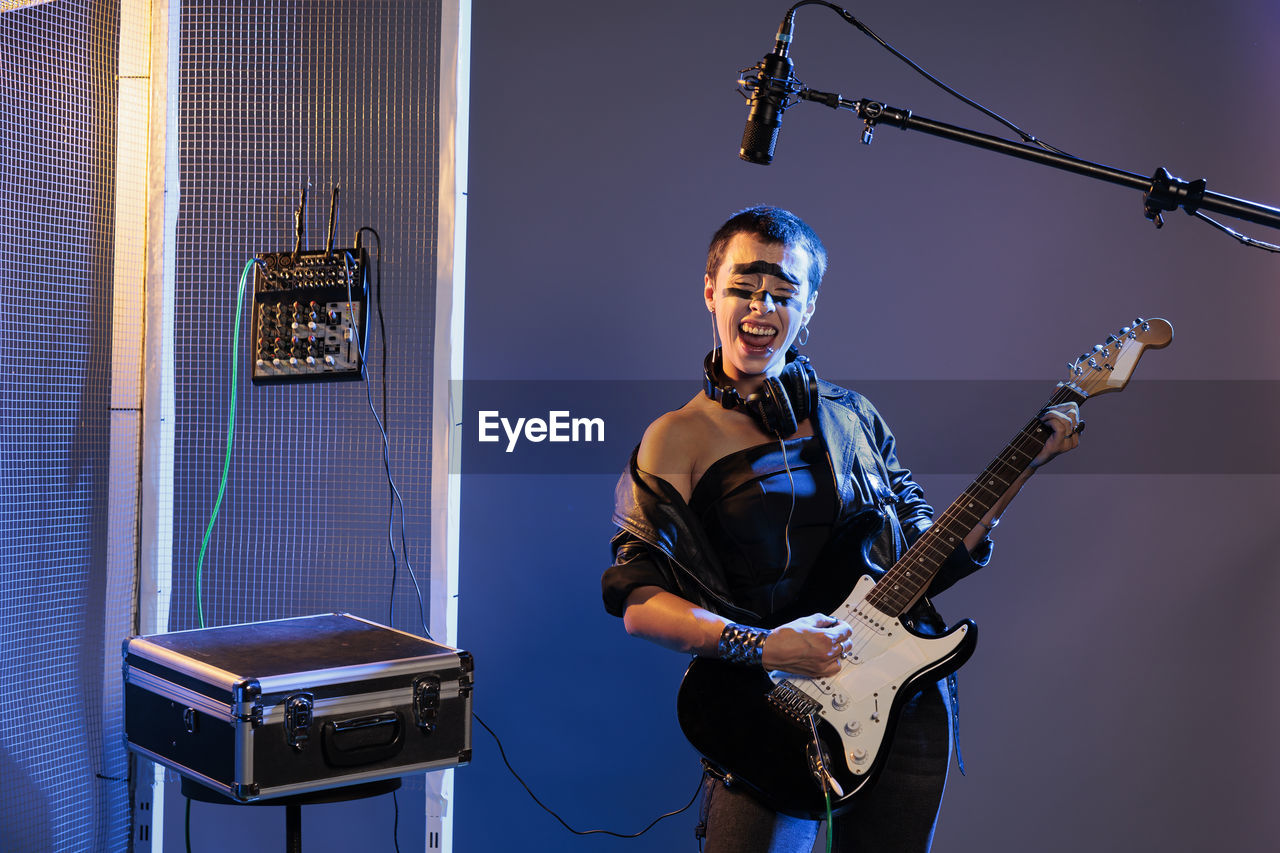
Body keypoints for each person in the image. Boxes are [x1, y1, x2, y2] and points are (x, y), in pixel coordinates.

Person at [600, 206, 1082, 852]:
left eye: (783, 292)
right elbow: (639, 603)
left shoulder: (853, 418)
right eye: (744, 285)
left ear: (810, 307)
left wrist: (1025, 465)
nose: (761, 307)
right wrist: (766, 645)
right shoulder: (676, 439)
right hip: (766, 713)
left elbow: (924, 557)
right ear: (710, 289)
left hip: (897, 701)